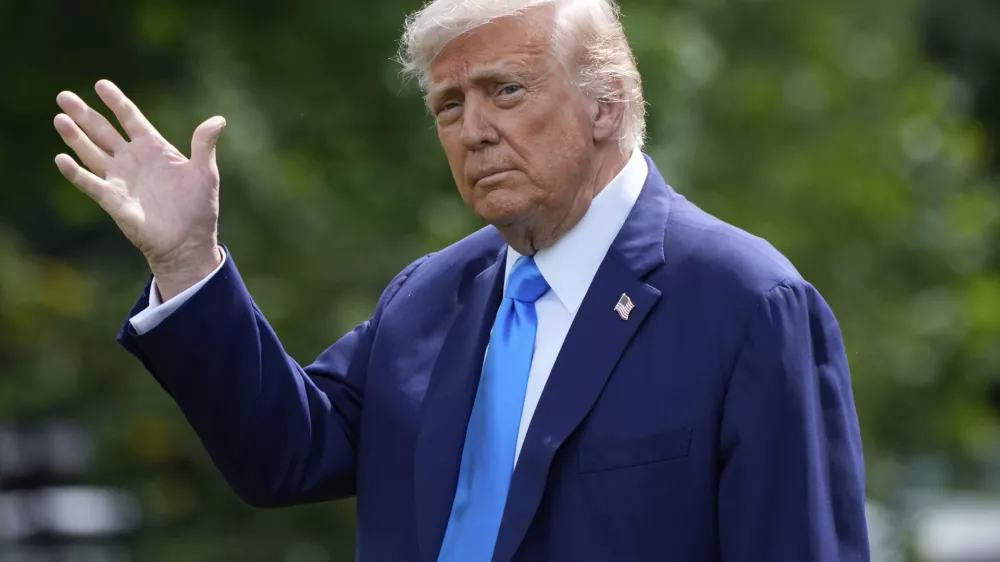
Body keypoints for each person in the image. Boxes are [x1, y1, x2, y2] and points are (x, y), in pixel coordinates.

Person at [51, 0, 870, 560]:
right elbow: (283, 455)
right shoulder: (428, 300)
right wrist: (188, 262)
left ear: (608, 105)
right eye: (448, 106)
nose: (474, 130)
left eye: (505, 91)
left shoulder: (747, 304)